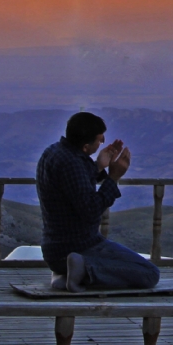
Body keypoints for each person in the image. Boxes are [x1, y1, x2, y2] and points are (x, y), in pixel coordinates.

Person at [36, 111, 160, 291]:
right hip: (79, 246)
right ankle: (83, 270)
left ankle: (65, 276)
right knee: (150, 274)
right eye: (99, 140)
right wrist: (113, 177)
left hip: (55, 249)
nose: (101, 143)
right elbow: (91, 210)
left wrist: (99, 166)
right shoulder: (72, 163)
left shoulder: (54, 152)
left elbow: (73, 186)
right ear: (86, 146)